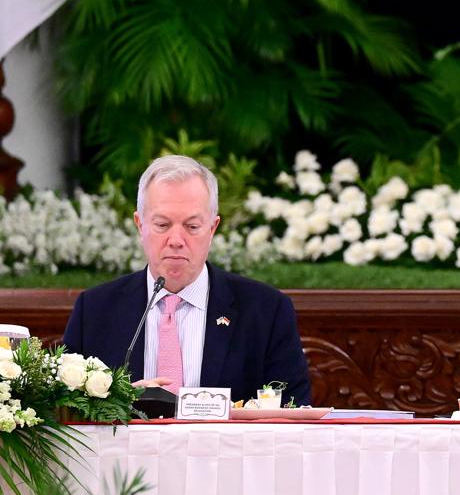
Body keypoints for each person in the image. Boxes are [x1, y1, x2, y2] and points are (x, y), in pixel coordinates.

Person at [63, 155, 312, 405]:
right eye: (162, 225)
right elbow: (65, 411)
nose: (176, 240)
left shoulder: (266, 310)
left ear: (212, 229)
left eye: (192, 227)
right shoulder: (94, 311)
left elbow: (293, 410)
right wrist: (120, 401)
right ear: (140, 225)